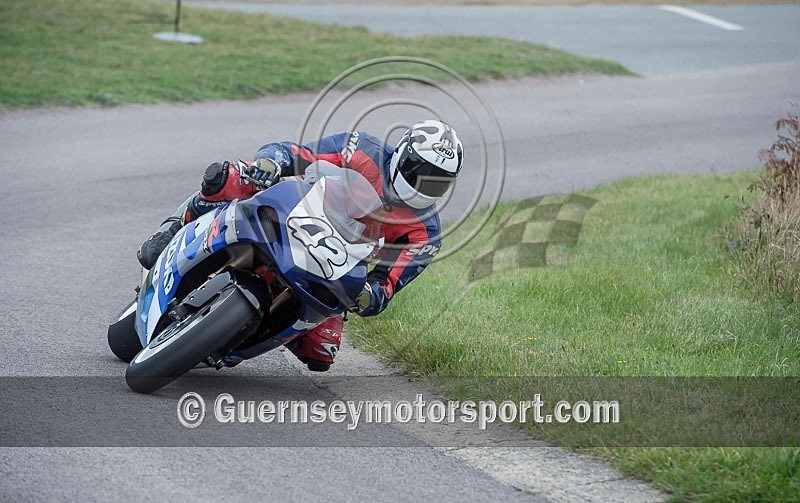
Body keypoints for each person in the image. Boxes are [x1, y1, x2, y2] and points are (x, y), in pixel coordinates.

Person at [137, 119, 464, 371]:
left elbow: (387, 286)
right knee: (232, 176)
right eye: (420, 171)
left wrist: (367, 296)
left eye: (437, 180)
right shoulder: (363, 148)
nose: (425, 184)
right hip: (300, 212)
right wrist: (270, 164)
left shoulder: (427, 234)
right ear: (403, 155)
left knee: (320, 354)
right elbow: (298, 154)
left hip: (339, 262)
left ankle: (239, 334)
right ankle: (174, 227)